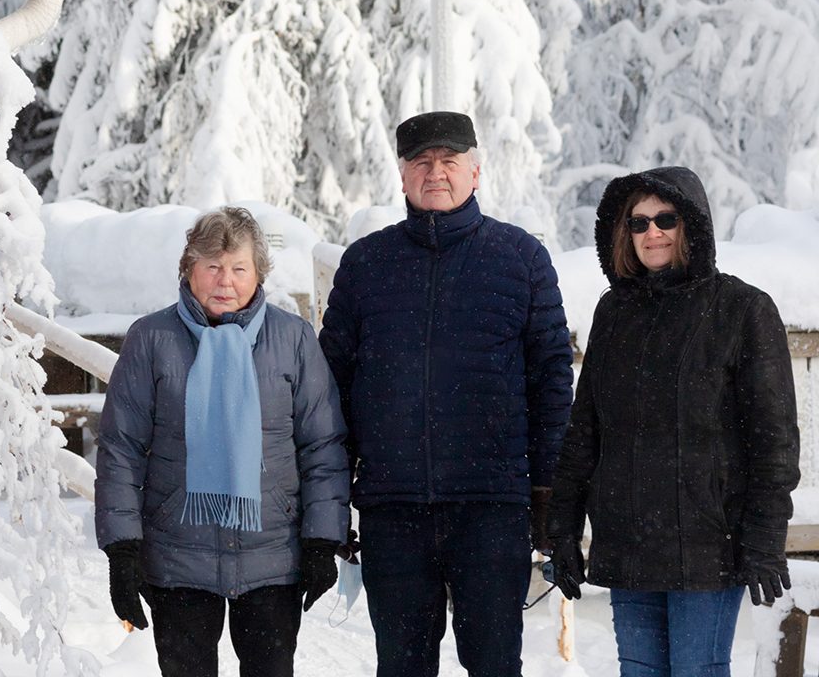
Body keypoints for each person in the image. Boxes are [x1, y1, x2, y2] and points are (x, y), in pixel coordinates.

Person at [318, 111, 574, 677]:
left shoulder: (520, 258)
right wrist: (332, 500)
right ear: (403, 174)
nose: (436, 172)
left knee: (494, 664)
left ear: (476, 173)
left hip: (491, 508)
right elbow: (329, 390)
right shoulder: (365, 264)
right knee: (402, 667)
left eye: (450, 161)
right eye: (421, 162)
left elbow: (552, 380)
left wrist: (550, 499)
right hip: (393, 508)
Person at [546, 166, 801, 675]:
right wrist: (563, 531)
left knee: (697, 669)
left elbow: (773, 442)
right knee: (639, 671)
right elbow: (585, 432)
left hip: (708, 542)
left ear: (693, 226)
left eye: (666, 218)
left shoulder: (741, 309)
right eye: (638, 223)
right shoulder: (614, 312)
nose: (652, 232)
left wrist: (765, 541)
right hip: (628, 540)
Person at [95, 206, 351, 677]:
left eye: (239, 268)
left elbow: (323, 447)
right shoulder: (151, 339)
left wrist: (321, 539)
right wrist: (122, 550)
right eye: (212, 266)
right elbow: (120, 451)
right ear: (189, 269)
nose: (225, 281)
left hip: (273, 559)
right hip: (177, 559)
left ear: (259, 275)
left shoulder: (292, 339)